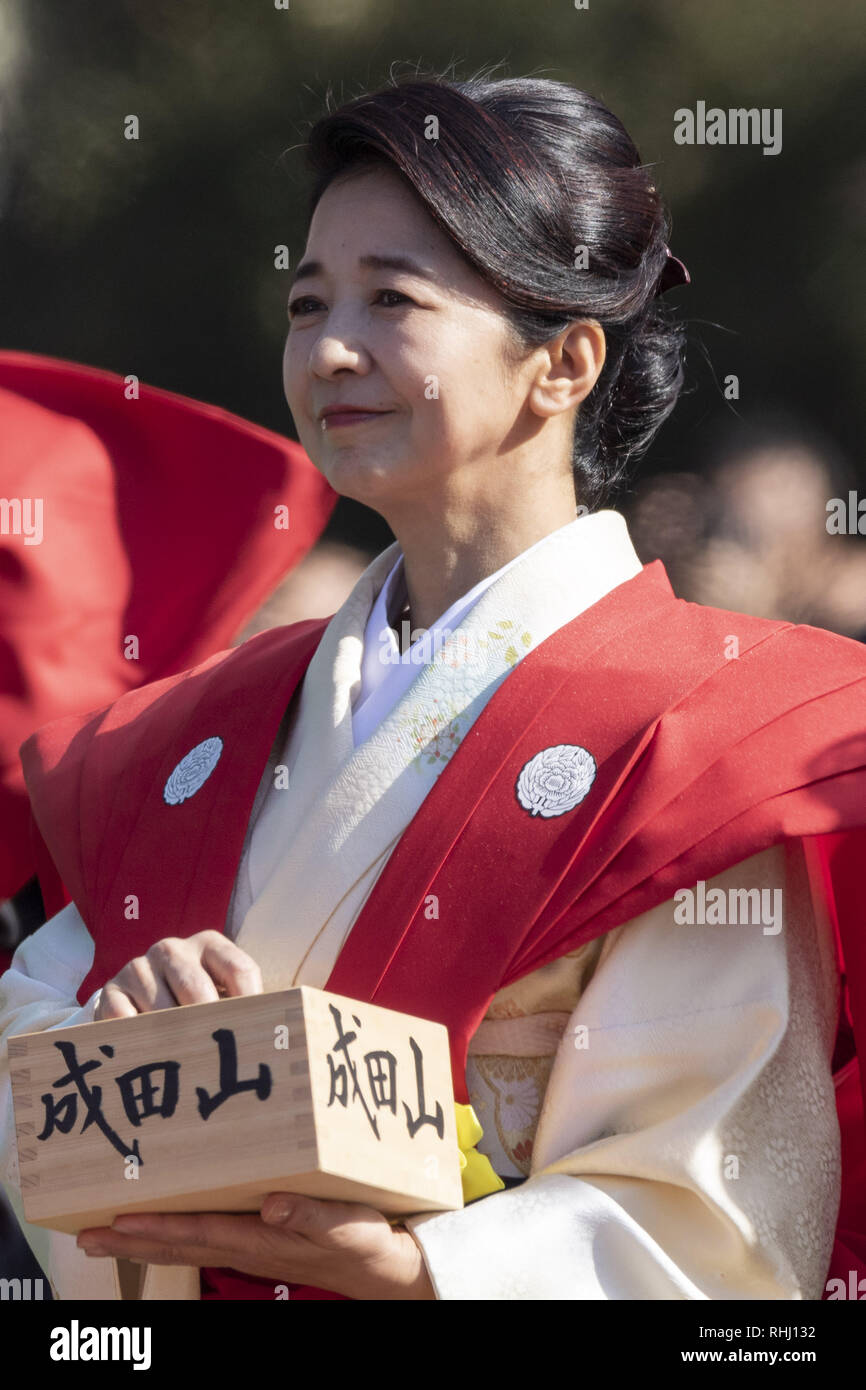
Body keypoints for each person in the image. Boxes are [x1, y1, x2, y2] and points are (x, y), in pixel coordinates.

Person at [2, 70, 865, 1301]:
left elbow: (706, 1209)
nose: (329, 348)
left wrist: (424, 1268)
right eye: (308, 304)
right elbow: (29, 1031)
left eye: (391, 300)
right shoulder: (198, 724)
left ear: (562, 362)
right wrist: (120, 1025)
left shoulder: (706, 735)